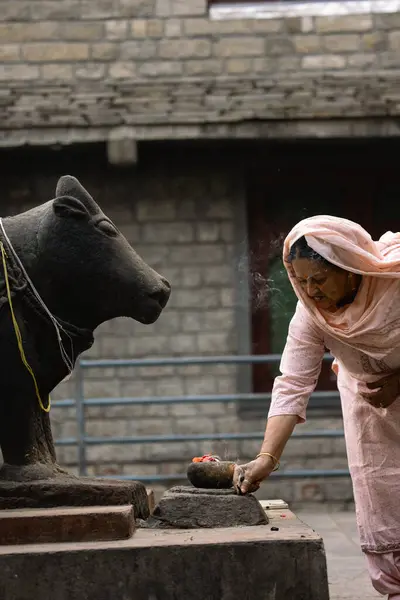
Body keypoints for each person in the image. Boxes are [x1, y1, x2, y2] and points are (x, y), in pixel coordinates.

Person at [234, 215, 400, 599]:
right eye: (302, 280)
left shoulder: (393, 287)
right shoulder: (312, 313)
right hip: (371, 413)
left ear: (349, 268)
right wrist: (266, 458)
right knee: (388, 510)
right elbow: (293, 382)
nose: (310, 290)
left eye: (319, 280)